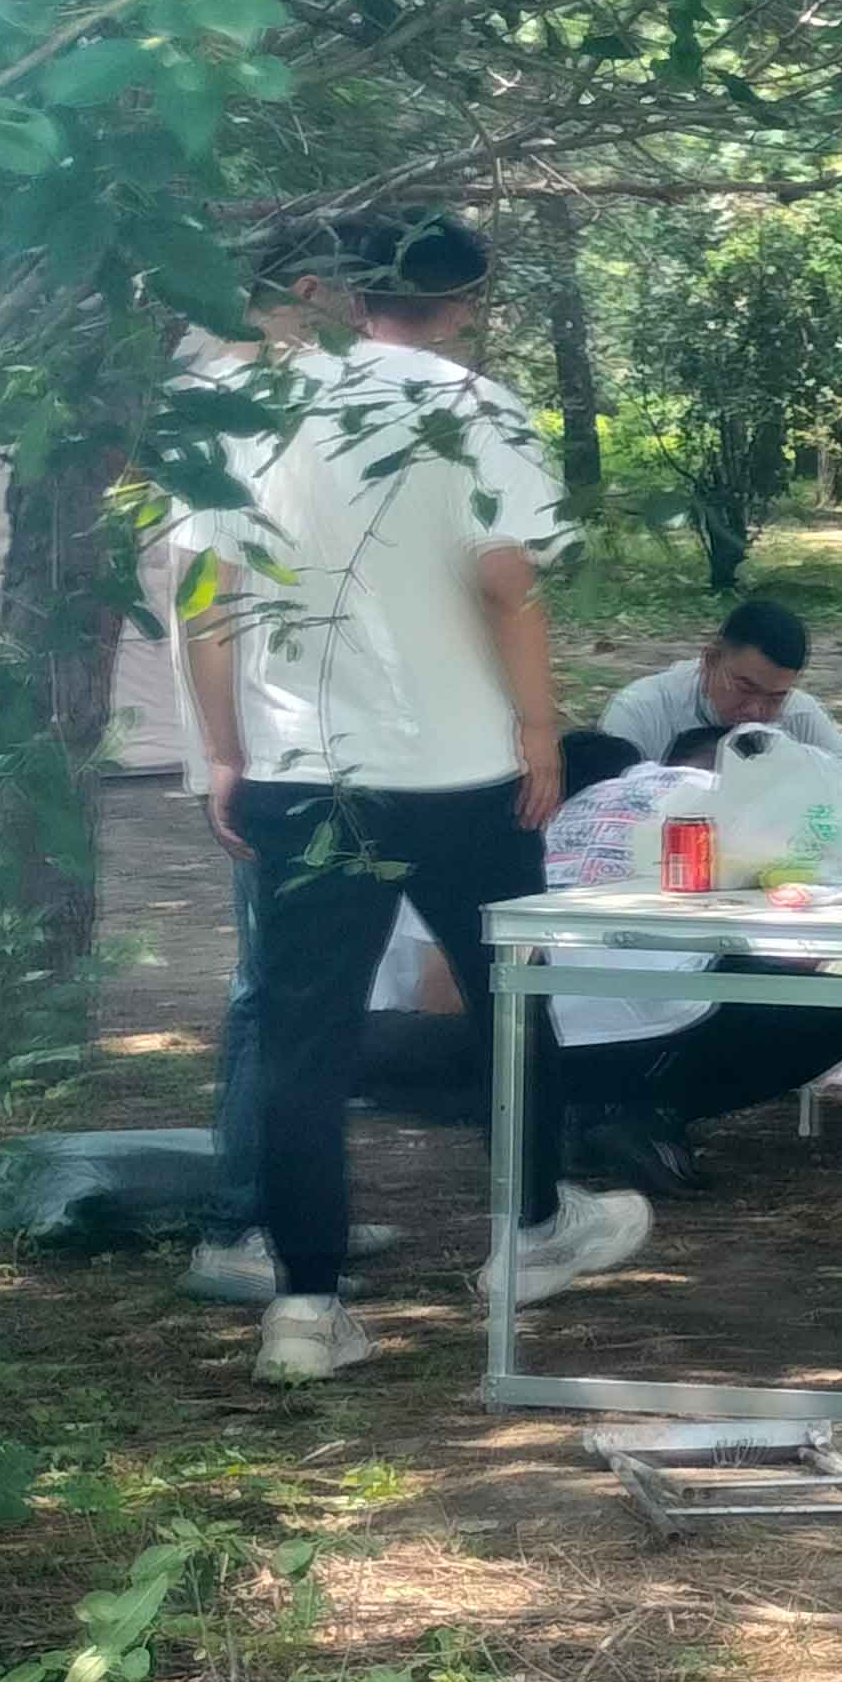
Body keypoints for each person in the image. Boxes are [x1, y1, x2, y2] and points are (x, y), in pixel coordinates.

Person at [177, 214, 653, 1385]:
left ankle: (305, 1306)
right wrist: (539, 729)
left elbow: (206, 600)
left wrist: (226, 750)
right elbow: (506, 579)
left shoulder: (248, 403)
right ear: (463, 306)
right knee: (510, 999)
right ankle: (530, 1226)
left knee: (303, 1038)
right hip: (467, 775)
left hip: (306, 774)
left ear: (347, 294)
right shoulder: (475, 406)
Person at [155, 259, 398, 1308]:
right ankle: (238, 1225)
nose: (363, 319)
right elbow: (204, 590)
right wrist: (228, 751)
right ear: (309, 286)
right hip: (272, 746)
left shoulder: (264, 391)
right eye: (355, 297)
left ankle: (297, 1211)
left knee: (295, 991)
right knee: (274, 994)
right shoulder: (231, 399)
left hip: (295, 737)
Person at [360, 726, 842, 1185]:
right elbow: (797, 945)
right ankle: (617, 1110)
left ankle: (553, 1107)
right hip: (650, 1033)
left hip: (496, 1035)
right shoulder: (692, 794)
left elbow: (441, 996)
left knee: (396, 1052)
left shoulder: (480, 829)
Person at [604, 599, 842, 767]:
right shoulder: (641, 710)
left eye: (775, 698)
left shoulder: (798, 712)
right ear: (711, 660)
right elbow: (603, 802)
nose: (755, 711)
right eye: (745, 688)